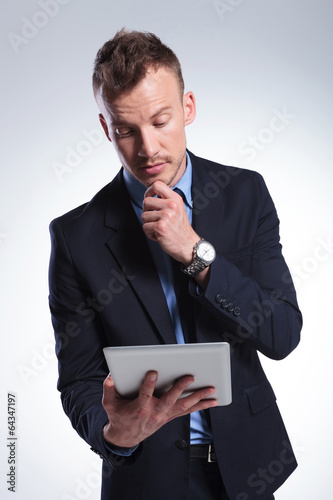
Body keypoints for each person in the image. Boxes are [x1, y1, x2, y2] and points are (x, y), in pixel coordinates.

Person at [48, 29, 302, 500]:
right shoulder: (74, 235)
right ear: (107, 129)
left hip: (249, 468)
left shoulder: (245, 194)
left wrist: (194, 252)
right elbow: (79, 378)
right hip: (144, 479)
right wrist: (112, 435)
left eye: (161, 121)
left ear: (187, 107)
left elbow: (282, 334)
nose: (148, 150)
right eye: (126, 130)